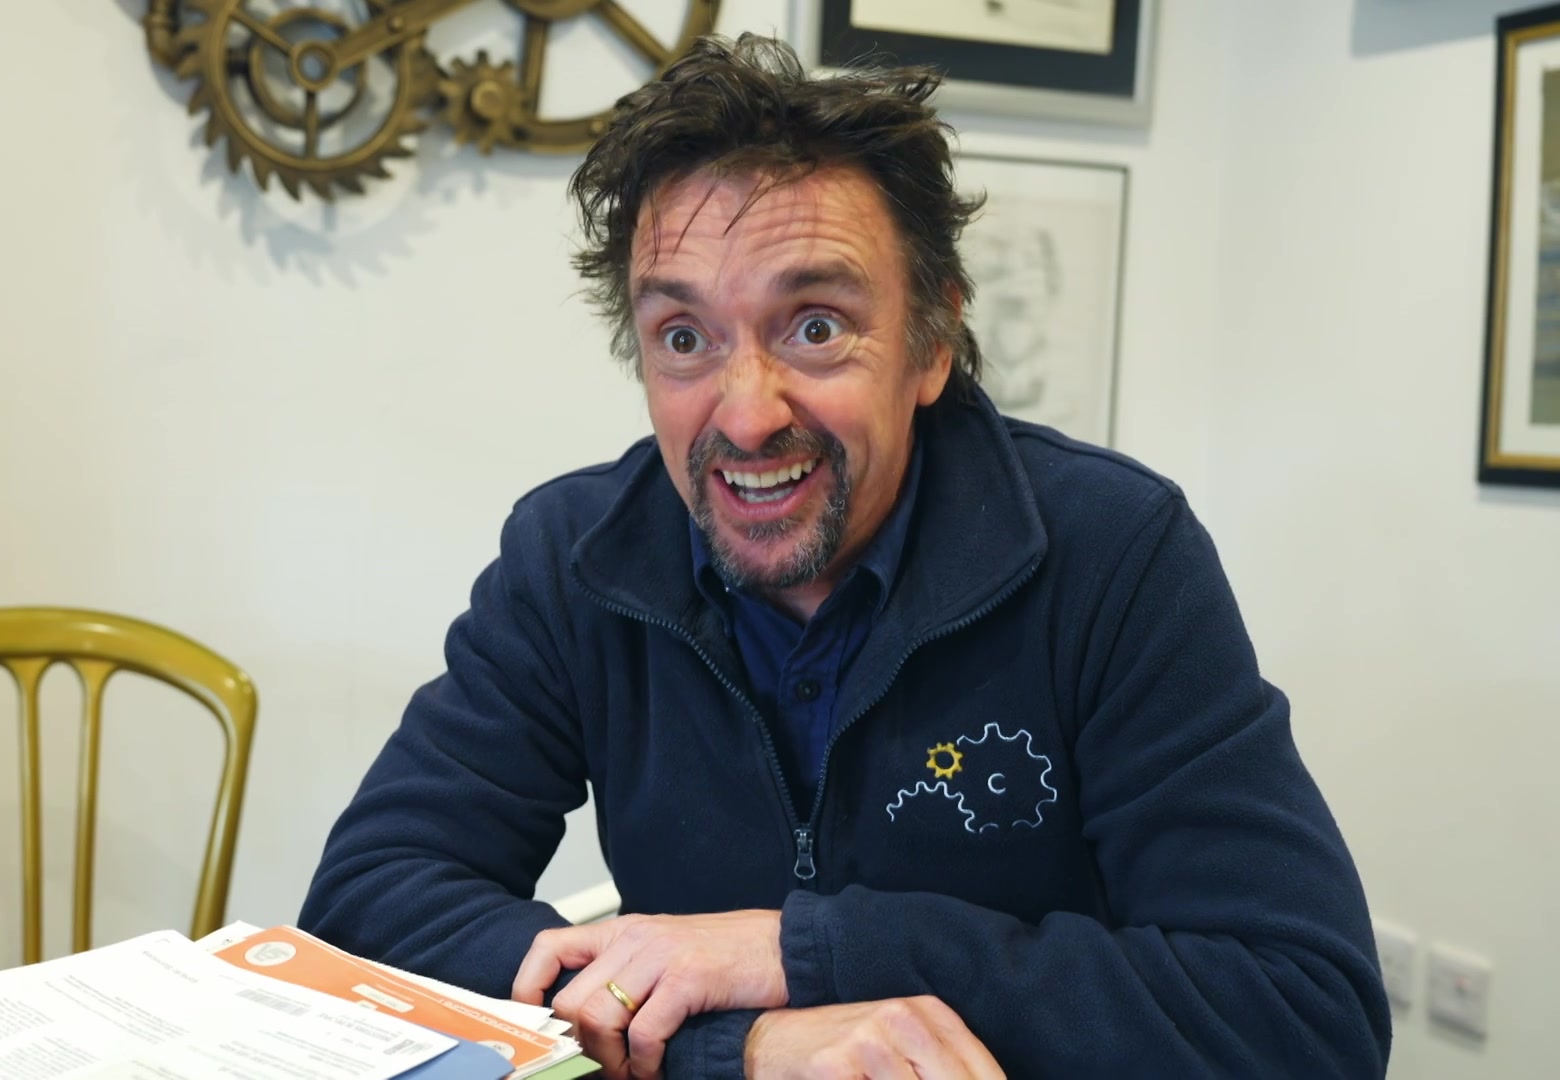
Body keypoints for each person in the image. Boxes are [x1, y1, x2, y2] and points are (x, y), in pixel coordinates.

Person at [299, 32, 1390, 1079]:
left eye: (815, 326)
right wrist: (742, 1051)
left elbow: (1304, 1015)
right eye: (685, 338)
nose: (746, 415)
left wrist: (801, 951)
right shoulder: (574, 556)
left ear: (933, 342)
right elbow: (363, 909)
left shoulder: (1114, 554)